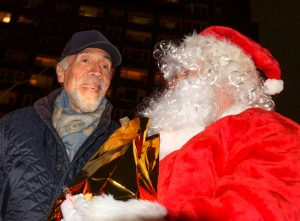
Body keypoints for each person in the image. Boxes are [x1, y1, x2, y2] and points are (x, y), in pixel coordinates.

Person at [60, 26, 300, 220]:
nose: (172, 86)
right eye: (171, 79)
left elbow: (271, 207)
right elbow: (79, 199)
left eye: (184, 74)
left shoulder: (262, 128)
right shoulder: (142, 142)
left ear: (227, 78)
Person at [0, 29, 122, 220]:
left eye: (105, 66)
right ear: (61, 72)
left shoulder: (122, 143)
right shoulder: (13, 126)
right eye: (85, 60)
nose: (97, 71)